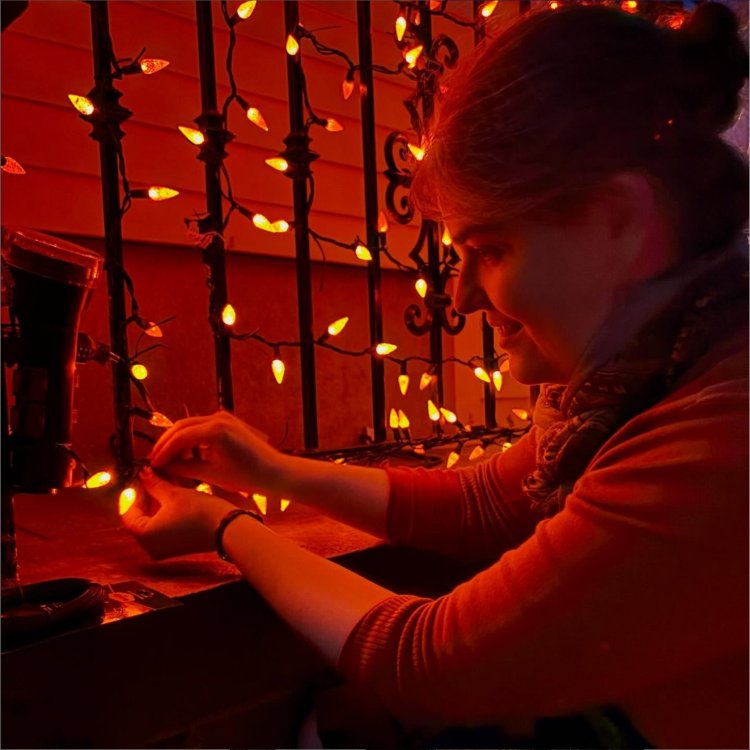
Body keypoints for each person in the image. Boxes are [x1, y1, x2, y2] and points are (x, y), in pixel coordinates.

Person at [122, 3, 749, 748]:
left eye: (490, 249)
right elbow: (489, 501)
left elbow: (433, 663)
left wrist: (228, 529)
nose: (461, 296)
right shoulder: (656, 368)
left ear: (621, 220)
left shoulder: (724, 427)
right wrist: (273, 470)